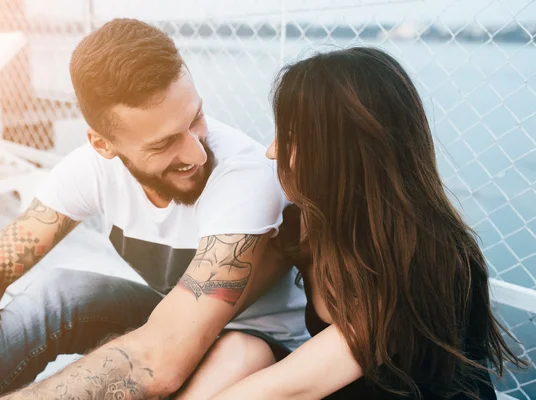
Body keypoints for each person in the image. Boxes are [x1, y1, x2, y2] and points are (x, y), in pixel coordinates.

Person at [0, 18, 308, 399]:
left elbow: (160, 357)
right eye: (163, 144)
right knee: (59, 291)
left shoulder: (243, 175)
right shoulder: (90, 169)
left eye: (196, 117)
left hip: (265, 345)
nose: (196, 152)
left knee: (241, 354)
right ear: (103, 145)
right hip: (169, 323)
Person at [194, 47, 525, 399]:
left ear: (338, 153)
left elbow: (292, 389)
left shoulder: (418, 259)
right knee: (238, 349)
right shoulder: (310, 223)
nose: (271, 151)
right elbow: (213, 306)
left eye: (289, 137)